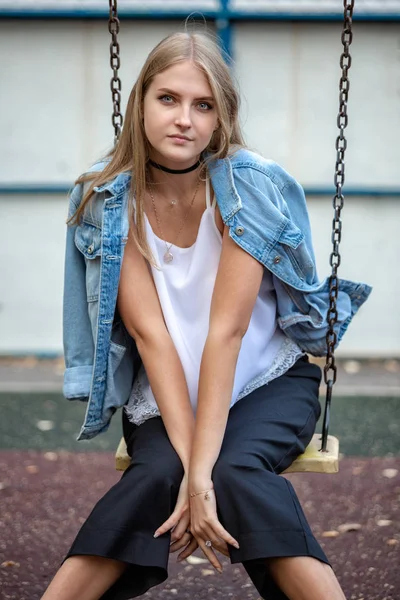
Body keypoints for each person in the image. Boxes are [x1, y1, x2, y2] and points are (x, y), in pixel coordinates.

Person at [41, 29, 371, 600]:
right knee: (154, 475)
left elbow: (228, 331)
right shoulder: (109, 199)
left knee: (234, 472)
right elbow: (151, 335)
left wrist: (203, 472)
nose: (184, 120)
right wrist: (189, 466)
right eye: (168, 99)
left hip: (265, 380)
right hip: (168, 385)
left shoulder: (248, 189)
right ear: (140, 100)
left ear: (221, 118)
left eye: (203, 105)